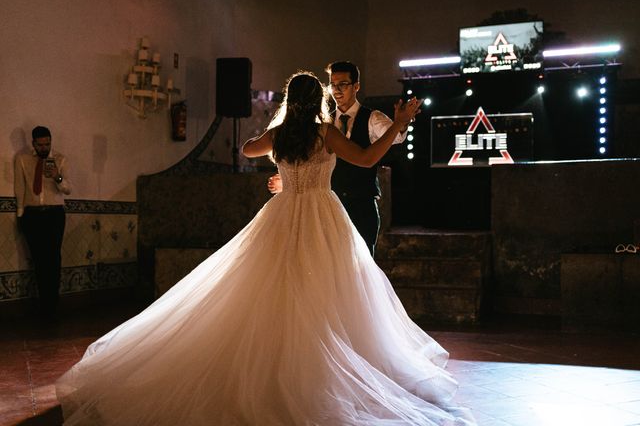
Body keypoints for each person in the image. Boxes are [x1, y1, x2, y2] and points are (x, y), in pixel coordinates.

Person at [56, 72, 474, 425]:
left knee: (272, 291)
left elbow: (246, 148)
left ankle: (281, 371)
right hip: (322, 216)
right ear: (320, 101)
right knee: (326, 293)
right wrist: (398, 126)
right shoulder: (324, 132)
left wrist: (281, 165)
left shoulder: (280, 136)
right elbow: (366, 160)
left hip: (283, 213)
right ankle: (310, 374)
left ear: (291, 102)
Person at [268, 61, 411, 255]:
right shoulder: (323, 124)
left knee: (361, 265)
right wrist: (291, 180)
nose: (337, 90)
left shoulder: (372, 118)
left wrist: (400, 124)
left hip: (360, 205)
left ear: (356, 86)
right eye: (333, 85)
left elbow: (397, 137)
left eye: (343, 84)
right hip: (326, 209)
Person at [14, 126, 72, 320]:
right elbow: (19, 188)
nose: (44, 148)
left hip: (54, 214)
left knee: (53, 259)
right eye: (40, 145)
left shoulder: (60, 159)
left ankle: (52, 305)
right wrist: (20, 216)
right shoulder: (23, 160)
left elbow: (67, 189)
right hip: (32, 215)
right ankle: (43, 305)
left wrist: (57, 175)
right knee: (38, 260)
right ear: (34, 143)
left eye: (47, 144)